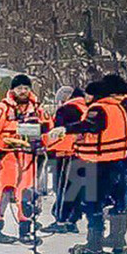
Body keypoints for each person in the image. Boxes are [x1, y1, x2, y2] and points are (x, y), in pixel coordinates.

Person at [55, 74, 127, 254]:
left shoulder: (99, 108)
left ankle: (94, 242)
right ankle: (118, 239)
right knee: (118, 203)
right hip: (118, 161)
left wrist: (65, 129)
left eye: (89, 95)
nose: (86, 98)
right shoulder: (118, 108)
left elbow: (89, 125)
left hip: (98, 164)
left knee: (92, 203)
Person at [0, 73, 50, 244]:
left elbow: (48, 129)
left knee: (27, 194)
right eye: (20, 88)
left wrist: (44, 144)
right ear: (13, 90)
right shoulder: (2, 108)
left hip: (28, 157)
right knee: (4, 191)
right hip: (8, 155)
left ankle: (25, 230)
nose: (23, 91)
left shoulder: (38, 110)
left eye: (26, 88)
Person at [42, 83, 88, 234]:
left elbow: (58, 134)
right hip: (83, 153)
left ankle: (60, 220)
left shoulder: (66, 110)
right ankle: (72, 221)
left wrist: (46, 144)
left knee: (62, 188)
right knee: (76, 189)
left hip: (65, 154)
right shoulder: (86, 108)